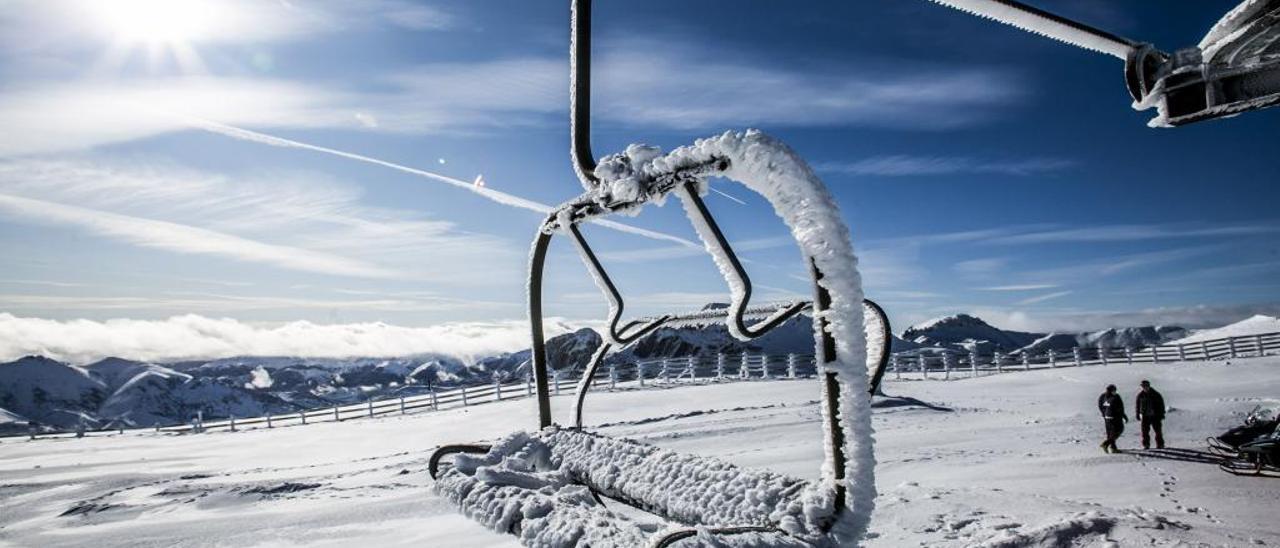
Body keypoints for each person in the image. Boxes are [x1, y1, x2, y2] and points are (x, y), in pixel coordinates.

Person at [1135, 380, 1166, 449]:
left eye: (1145, 386)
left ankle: (1160, 444)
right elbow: (1137, 406)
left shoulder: (1156, 394)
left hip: (1155, 416)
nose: (1144, 387)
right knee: (1145, 432)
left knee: (1158, 431)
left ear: (1148, 386)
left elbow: (1161, 405)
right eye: (1143, 386)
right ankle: (1146, 444)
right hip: (1145, 416)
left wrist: (1162, 414)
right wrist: (1137, 414)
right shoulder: (1140, 395)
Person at [1098, 384, 1127, 453]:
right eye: (1114, 390)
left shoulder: (1103, 396)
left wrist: (1104, 414)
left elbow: (1100, 406)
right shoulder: (1116, 397)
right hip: (1115, 417)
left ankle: (1113, 448)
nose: (1115, 391)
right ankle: (1106, 444)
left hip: (1107, 417)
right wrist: (1124, 416)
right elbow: (1120, 408)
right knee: (1119, 430)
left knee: (1110, 433)